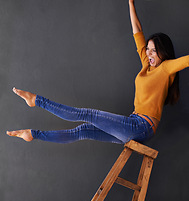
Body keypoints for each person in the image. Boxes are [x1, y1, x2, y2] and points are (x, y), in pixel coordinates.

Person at [6, 0, 189, 144]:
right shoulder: (146, 65)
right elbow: (138, 32)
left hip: (141, 127)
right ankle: (33, 134)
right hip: (134, 123)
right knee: (82, 131)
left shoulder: (166, 68)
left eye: (153, 51)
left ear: (163, 53)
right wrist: (130, 3)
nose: (148, 53)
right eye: (147, 49)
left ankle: (36, 100)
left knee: (88, 114)